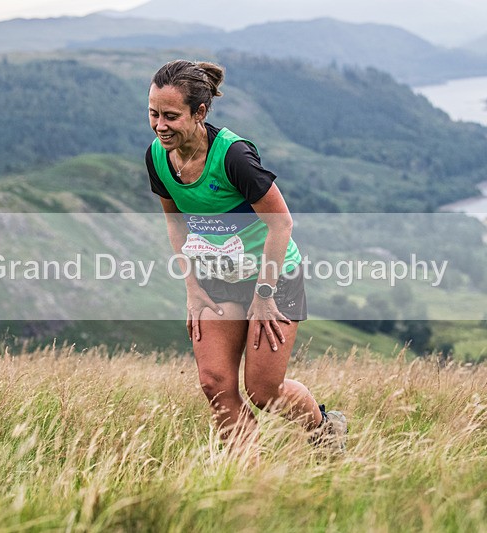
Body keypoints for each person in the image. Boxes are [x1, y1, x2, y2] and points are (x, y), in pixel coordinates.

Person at [145, 59, 346, 451]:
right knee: (215, 384)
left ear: (199, 112)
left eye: (171, 116)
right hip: (216, 278)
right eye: (153, 113)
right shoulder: (157, 157)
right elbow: (176, 223)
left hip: (272, 277)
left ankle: (325, 430)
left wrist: (265, 293)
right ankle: (246, 476)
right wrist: (192, 288)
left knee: (264, 392)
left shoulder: (232, 157)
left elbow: (281, 224)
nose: (159, 125)